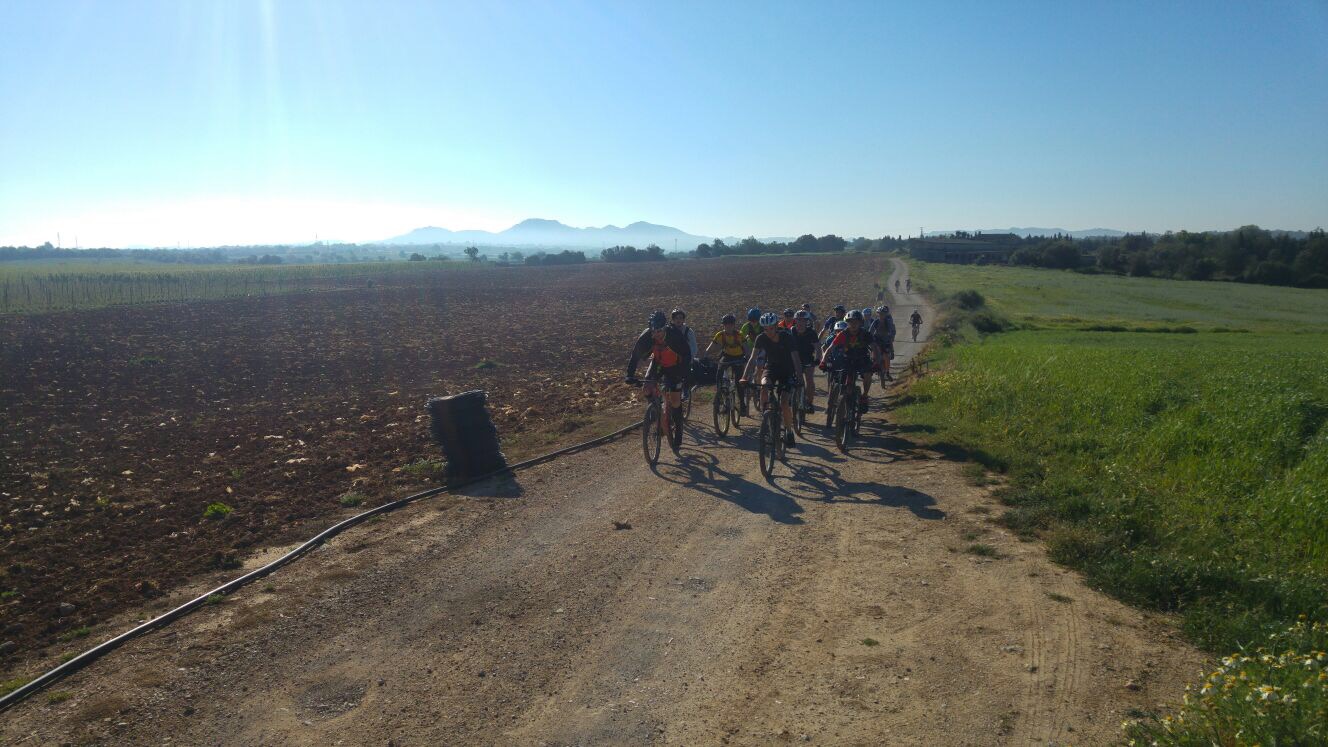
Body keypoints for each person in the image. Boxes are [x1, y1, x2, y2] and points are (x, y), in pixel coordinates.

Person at [626, 310, 693, 448]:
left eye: (659, 331)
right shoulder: (646, 336)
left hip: (675, 366)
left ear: (665, 327)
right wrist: (630, 375)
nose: (656, 334)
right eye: (653, 331)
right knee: (646, 389)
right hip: (658, 364)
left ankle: (678, 427)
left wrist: (685, 375)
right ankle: (656, 411)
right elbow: (635, 356)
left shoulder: (674, 334)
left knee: (675, 401)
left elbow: (687, 354)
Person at [741, 312, 804, 447]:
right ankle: (766, 420)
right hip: (771, 368)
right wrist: (744, 377)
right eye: (765, 329)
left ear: (776, 326)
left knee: (784, 402)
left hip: (787, 370)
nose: (768, 332)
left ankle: (789, 431)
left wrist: (800, 378)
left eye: (771, 328)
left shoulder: (787, 337)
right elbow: (752, 358)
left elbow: (796, 358)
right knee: (764, 387)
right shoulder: (761, 338)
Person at [820, 310, 880, 414]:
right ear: (847, 323)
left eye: (856, 322)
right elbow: (830, 348)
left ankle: (864, 396)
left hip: (862, 359)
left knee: (867, 374)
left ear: (860, 323)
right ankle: (843, 397)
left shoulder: (865, 334)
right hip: (847, 359)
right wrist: (823, 361)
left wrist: (876, 362)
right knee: (841, 377)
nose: (853, 324)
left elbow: (875, 348)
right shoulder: (843, 334)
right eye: (850, 322)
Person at [703, 313, 750, 412]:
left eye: (731, 324)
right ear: (723, 325)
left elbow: (746, 349)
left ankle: (742, 404)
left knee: (738, 382)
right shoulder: (720, 335)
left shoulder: (739, 335)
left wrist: (746, 357)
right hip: (727, 356)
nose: (728, 326)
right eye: (726, 324)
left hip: (739, 357)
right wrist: (706, 355)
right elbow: (711, 347)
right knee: (719, 371)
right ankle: (719, 393)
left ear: (734, 325)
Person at [792, 310, 820, 413]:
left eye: (803, 320)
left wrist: (818, 359)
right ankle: (791, 396)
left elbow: (817, 348)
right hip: (794, 358)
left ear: (807, 321)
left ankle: (809, 403)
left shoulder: (811, 333)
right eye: (798, 320)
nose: (800, 322)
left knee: (809, 379)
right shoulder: (792, 331)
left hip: (808, 358)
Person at [670, 308, 698, 404]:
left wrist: (689, 358)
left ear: (683, 319)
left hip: (685, 358)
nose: (678, 320)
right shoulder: (669, 330)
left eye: (680, 318)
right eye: (676, 318)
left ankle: (685, 390)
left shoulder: (688, 331)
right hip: (672, 357)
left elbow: (694, 347)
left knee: (686, 372)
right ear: (673, 320)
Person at [869, 305, 897, 383]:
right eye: (880, 314)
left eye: (883, 314)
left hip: (885, 341)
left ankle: (887, 372)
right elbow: (870, 331)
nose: (882, 315)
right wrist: (869, 338)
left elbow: (892, 331)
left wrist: (891, 337)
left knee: (886, 356)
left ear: (886, 314)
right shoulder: (876, 322)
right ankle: (874, 366)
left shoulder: (888, 322)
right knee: (873, 351)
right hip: (877, 340)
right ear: (878, 314)